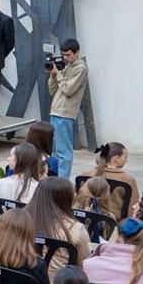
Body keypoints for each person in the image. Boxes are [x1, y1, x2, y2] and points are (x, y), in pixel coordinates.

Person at [43, 38, 86, 179]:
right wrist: (53, 75)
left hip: (65, 114)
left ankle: (63, 183)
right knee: (55, 151)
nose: (66, 58)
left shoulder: (81, 68)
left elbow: (68, 89)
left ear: (77, 52)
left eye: (69, 55)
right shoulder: (66, 66)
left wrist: (59, 74)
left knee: (64, 152)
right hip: (56, 111)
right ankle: (55, 180)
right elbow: (52, 90)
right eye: (64, 55)